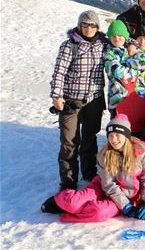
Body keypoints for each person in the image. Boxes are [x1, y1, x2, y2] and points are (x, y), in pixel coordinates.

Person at [41, 115, 145, 222]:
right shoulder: (104, 154)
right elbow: (109, 185)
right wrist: (126, 206)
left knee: (98, 212)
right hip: (104, 186)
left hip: (130, 195)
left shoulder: (141, 151)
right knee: (73, 202)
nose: (114, 140)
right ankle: (60, 201)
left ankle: (71, 211)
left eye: (117, 135)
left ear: (126, 136)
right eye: (110, 135)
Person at [50, 10, 107, 190]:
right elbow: (59, 72)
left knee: (90, 138)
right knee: (69, 142)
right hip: (71, 100)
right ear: (79, 25)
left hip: (94, 99)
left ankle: (89, 173)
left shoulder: (103, 44)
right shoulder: (69, 45)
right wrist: (57, 95)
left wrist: (129, 43)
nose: (88, 28)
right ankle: (68, 182)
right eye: (85, 24)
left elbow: (121, 39)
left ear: (97, 27)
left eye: (92, 25)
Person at [104, 19, 145, 116]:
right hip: (118, 99)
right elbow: (116, 71)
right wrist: (136, 70)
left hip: (138, 96)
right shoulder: (109, 52)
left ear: (125, 36)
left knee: (137, 128)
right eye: (113, 36)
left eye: (120, 36)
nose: (117, 39)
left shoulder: (133, 48)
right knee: (118, 129)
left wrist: (125, 63)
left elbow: (144, 62)